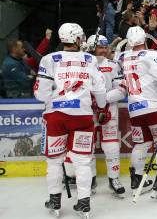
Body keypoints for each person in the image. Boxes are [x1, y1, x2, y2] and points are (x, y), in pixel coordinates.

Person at [34, 23, 107, 218]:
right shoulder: (90, 59)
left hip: (57, 116)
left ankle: (54, 199)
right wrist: (101, 106)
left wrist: (52, 102)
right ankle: (84, 203)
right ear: (76, 39)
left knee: (54, 161)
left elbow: (40, 94)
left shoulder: (49, 59)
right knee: (83, 162)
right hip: (82, 116)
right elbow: (100, 91)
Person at [119, 26, 157, 199]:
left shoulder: (125, 58)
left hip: (135, 108)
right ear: (144, 39)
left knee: (142, 143)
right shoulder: (151, 55)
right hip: (154, 107)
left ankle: (137, 180)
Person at [87, 34, 126, 197]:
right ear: (91, 48)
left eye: (105, 47)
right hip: (86, 110)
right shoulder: (82, 65)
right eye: (99, 47)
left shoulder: (113, 65)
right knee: (86, 146)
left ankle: (114, 179)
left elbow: (122, 89)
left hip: (109, 109)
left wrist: (103, 100)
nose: (103, 50)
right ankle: (89, 179)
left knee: (111, 146)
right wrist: (93, 101)